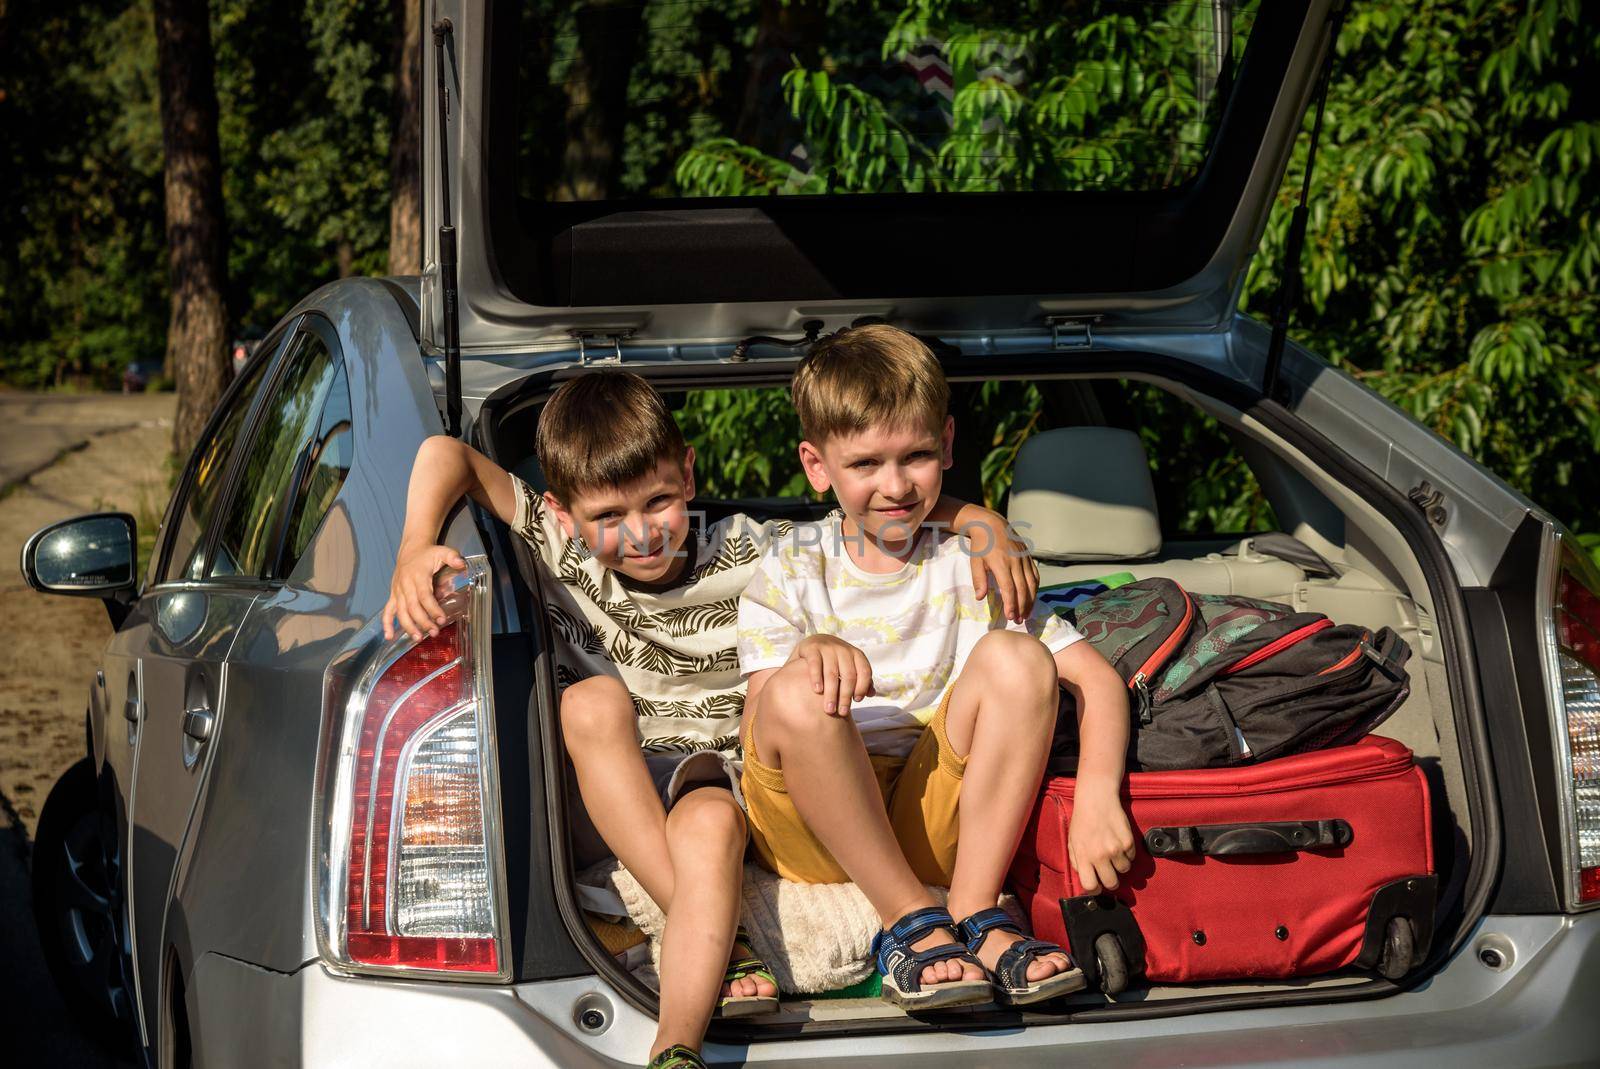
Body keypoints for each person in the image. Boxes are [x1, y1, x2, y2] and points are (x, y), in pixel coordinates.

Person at [383, 371, 1034, 1069]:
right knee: (590, 701)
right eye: (608, 516)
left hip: (722, 777)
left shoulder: (757, 548)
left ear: (688, 474)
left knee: (713, 821)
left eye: (658, 500)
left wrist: (978, 520)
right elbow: (443, 454)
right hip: (608, 784)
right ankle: (724, 942)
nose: (640, 533)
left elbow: (877, 510)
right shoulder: (560, 544)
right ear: (562, 514)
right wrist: (412, 547)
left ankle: (679, 1039)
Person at [737, 325, 1137, 1010]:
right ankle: (908, 920)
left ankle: (977, 912)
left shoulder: (975, 561)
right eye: (864, 464)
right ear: (816, 464)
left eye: (917, 456)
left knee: (1018, 656)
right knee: (794, 689)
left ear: (948, 444)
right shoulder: (791, 567)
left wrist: (1100, 797)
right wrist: (807, 657)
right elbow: (761, 725)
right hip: (813, 827)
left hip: (931, 819)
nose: (894, 486)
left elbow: (1096, 681)